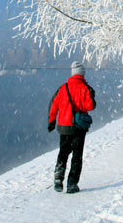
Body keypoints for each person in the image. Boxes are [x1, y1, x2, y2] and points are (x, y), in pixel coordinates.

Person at [48, 61, 96, 193]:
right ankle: (72, 184)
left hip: (63, 125)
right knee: (77, 155)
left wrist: (51, 121)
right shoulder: (86, 88)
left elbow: (54, 105)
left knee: (63, 152)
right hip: (78, 128)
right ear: (82, 74)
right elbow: (90, 106)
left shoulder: (63, 88)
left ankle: (58, 178)